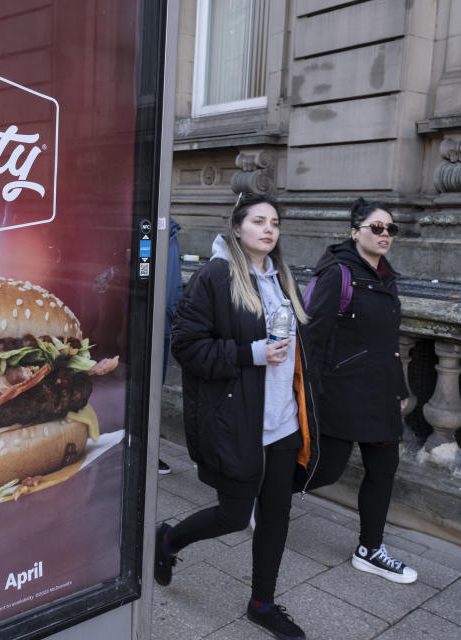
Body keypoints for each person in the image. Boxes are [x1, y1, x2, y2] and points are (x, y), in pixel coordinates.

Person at [155, 192, 316, 640]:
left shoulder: (283, 278)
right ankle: (168, 540)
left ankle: (262, 603)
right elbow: (186, 347)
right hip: (240, 421)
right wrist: (252, 353)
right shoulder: (215, 276)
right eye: (259, 221)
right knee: (232, 514)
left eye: (275, 223)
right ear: (238, 227)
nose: (269, 229)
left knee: (277, 515)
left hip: (282, 420)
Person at [302, 197, 417, 584]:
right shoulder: (338, 273)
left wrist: (399, 387)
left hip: (381, 393)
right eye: (377, 228)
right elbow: (313, 337)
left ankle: (370, 549)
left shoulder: (388, 277)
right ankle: (262, 494)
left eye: (391, 229)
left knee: (383, 471)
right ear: (355, 232)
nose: (385, 235)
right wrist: (311, 391)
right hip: (342, 393)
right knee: (325, 471)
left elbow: (390, 341)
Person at [158, 217, 184, 475]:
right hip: (158, 328)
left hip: (161, 325)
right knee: (151, 392)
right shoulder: (165, 232)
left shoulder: (169, 231)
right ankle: (147, 452)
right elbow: (167, 290)